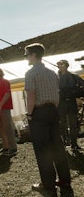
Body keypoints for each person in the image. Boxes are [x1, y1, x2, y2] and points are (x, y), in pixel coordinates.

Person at [24, 43, 72, 195]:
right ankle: (65, 180)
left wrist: (29, 114)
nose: (25, 57)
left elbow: (31, 96)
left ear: (34, 55)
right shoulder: (53, 73)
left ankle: (48, 185)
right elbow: (57, 96)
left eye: (26, 54)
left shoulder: (31, 73)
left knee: (42, 150)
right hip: (53, 111)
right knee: (58, 146)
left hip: (39, 113)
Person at [0, 67, 17, 156]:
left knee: (7, 128)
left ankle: (13, 148)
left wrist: (0, 105)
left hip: (4, 108)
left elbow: (7, 94)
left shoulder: (5, 82)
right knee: (1, 128)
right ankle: (6, 146)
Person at [57, 59, 82, 149]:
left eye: (62, 64)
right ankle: (63, 143)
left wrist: (75, 94)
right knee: (62, 124)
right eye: (59, 64)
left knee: (73, 124)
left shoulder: (74, 76)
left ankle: (74, 143)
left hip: (71, 102)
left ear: (66, 65)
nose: (60, 66)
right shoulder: (55, 78)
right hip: (61, 103)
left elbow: (82, 86)